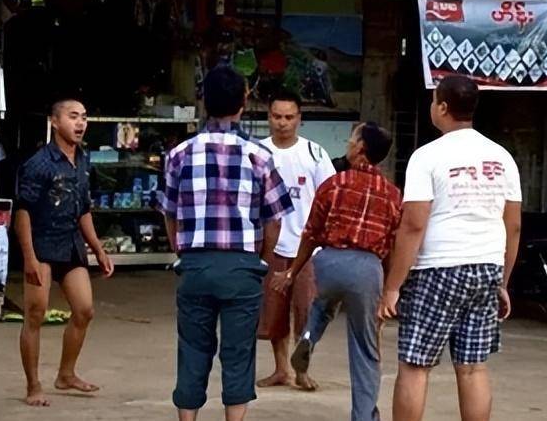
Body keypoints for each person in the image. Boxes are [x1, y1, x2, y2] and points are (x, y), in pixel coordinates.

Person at [379, 76, 522, 421]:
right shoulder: (501, 157)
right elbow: (513, 225)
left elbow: (413, 224)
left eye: (433, 101)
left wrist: (393, 287)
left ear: (442, 107)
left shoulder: (427, 157)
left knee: (415, 366)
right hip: (486, 267)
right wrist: (502, 281)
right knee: (472, 367)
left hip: (437, 269)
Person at [161, 65, 295, 421]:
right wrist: (261, 261)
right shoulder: (260, 156)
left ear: (203, 101)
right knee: (238, 352)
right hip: (242, 266)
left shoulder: (179, 154)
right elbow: (275, 218)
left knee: (192, 348)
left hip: (195, 264)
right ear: (244, 101)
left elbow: (169, 213)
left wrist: (183, 252)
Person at [273, 122, 402, 421]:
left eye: (352, 138)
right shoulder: (393, 195)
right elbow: (394, 245)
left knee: (323, 301)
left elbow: (311, 234)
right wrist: (388, 289)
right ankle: (364, 416)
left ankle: (308, 336)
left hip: (329, 262)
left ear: (359, 149)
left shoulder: (334, 183)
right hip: (367, 268)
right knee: (365, 349)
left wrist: (293, 271)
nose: (348, 141)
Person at [15, 97, 115, 407]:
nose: (80, 123)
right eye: (73, 117)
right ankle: (33, 385)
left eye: (84, 117)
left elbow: (83, 208)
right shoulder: (38, 163)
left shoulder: (84, 159)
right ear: (55, 122)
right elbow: (22, 213)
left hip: (71, 244)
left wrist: (98, 248)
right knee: (35, 315)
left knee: (84, 310)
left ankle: (66, 374)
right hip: (42, 245)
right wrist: (29, 258)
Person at [257, 91, 336, 392]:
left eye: (289, 117)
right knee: (274, 313)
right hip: (271, 246)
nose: (282, 123)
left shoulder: (315, 154)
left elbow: (328, 199)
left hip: (308, 249)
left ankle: (302, 370)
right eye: (277, 116)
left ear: (299, 119)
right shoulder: (258, 153)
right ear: (269, 117)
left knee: (307, 313)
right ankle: (281, 370)